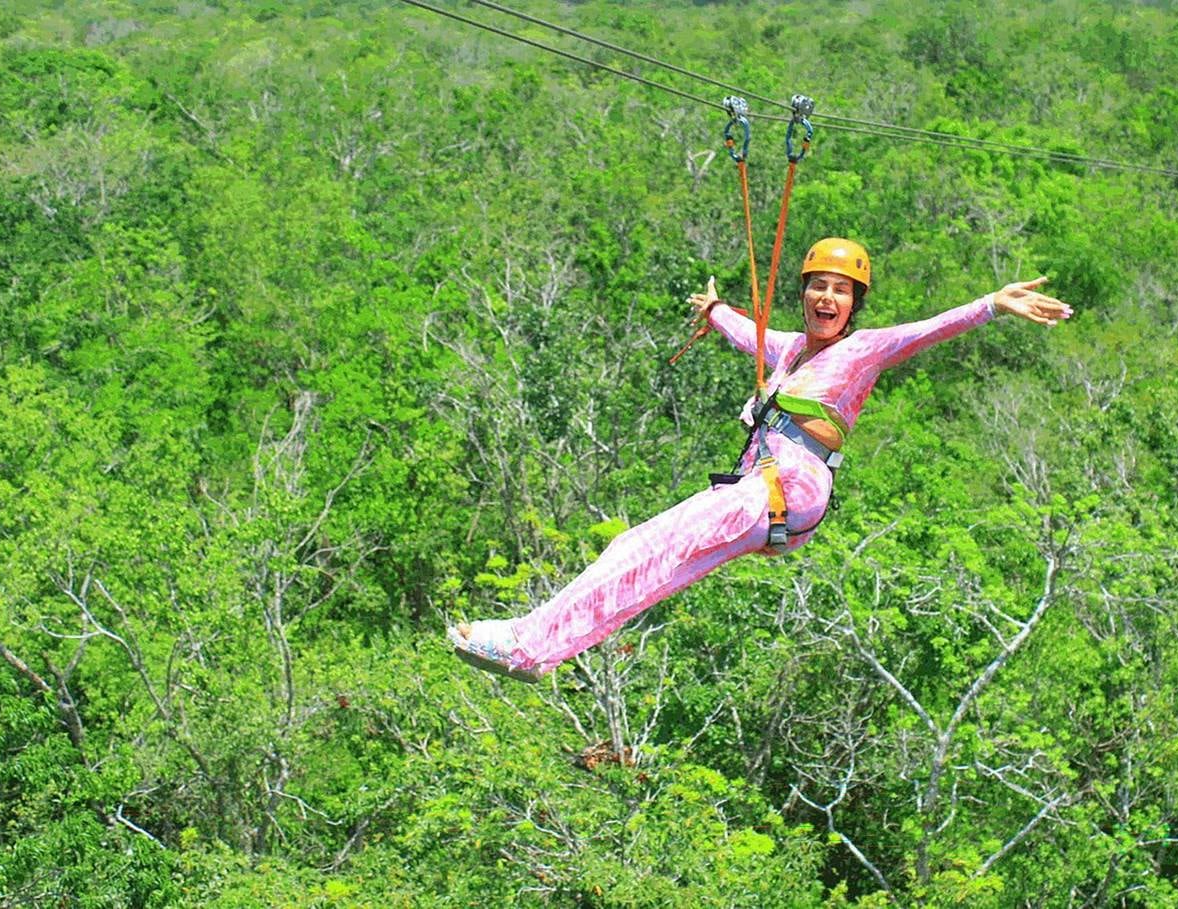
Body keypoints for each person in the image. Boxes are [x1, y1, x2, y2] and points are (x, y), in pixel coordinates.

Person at [449, 238, 1072, 681]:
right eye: (818, 286)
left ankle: (528, 642)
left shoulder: (863, 350)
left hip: (787, 490)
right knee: (643, 553)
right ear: (804, 295)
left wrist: (992, 303)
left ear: (855, 304)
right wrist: (715, 311)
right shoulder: (790, 348)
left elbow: (929, 329)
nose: (827, 297)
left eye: (841, 291)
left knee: (653, 545)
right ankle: (539, 650)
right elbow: (745, 332)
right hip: (762, 493)